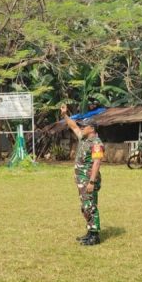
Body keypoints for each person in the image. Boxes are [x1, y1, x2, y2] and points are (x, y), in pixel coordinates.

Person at [61, 104, 104, 246]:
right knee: (85, 206)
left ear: (92, 128)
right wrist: (65, 115)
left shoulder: (96, 143)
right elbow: (73, 126)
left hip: (88, 180)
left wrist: (91, 182)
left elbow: (97, 163)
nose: (82, 128)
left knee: (90, 206)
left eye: (84, 126)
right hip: (82, 180)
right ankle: (90, 232)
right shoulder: (84, 139)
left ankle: (95, 235)